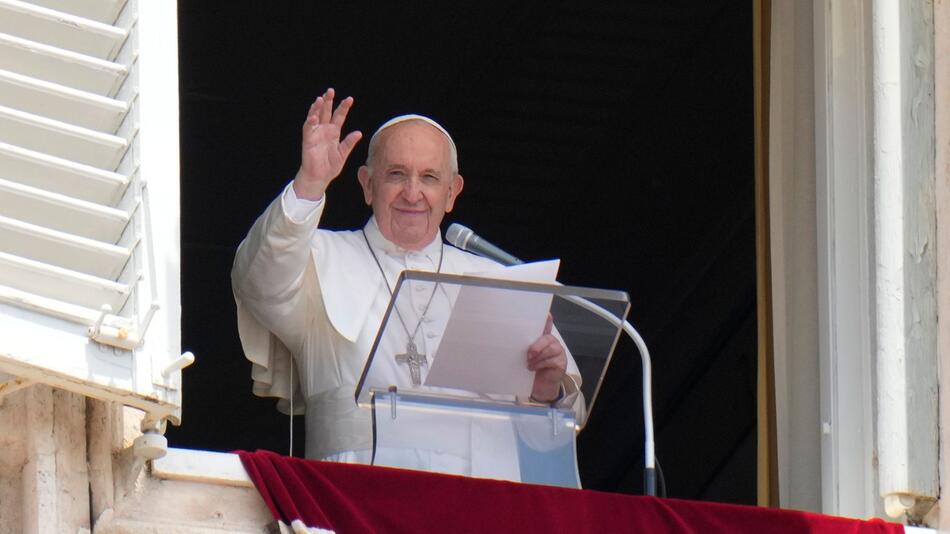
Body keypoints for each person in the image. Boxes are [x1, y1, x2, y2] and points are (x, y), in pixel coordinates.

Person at [232, 88, 582, 478]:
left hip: (481, 502)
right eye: (396, 174)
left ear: (452, 193)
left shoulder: (497, 280)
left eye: (429, 178)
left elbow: (547, 439)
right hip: (353, 494)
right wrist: (310, 183)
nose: (413, 193)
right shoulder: (318, 257)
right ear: (367, 184)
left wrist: (546, 389)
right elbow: (259, 281)